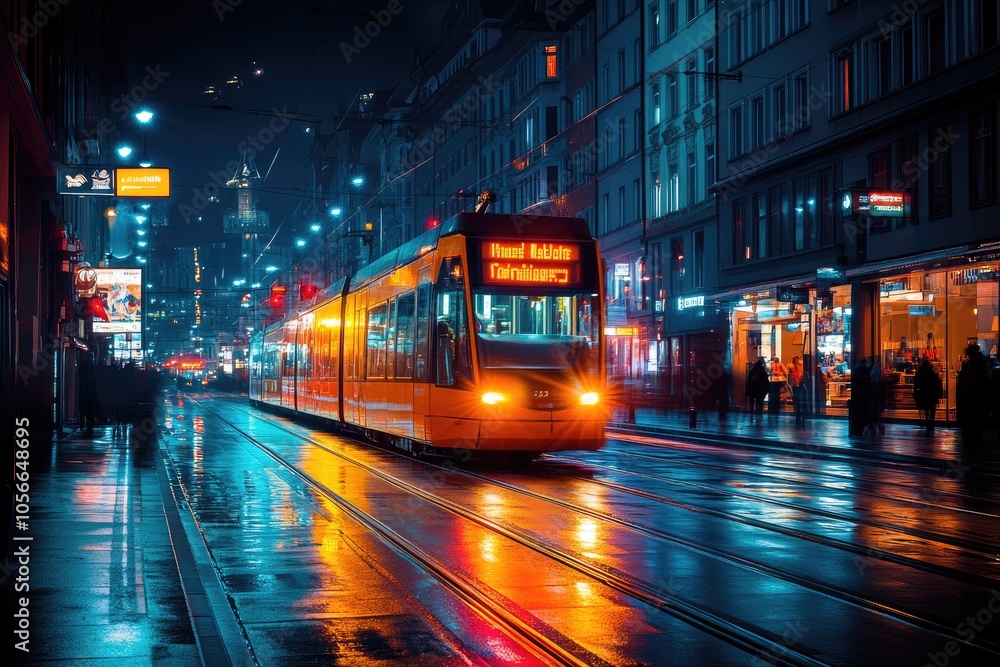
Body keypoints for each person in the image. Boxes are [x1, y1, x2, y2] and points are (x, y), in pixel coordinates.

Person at [956, 343, 991, 446]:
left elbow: (964, 380)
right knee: (977, 421)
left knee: (971, 421)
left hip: (971, 398)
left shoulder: (970, 366)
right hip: (979, 397)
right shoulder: (982, 363)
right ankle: (976, 442)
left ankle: (971, 444)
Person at [912, 357, 943, 433]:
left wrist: (915, 392)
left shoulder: (920, 373)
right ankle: (931, 422)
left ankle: (926, 422)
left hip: (923, 393)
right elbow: (937, 383)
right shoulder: (933, 373)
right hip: (932, 393)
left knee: (925, 408)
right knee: (932, 409)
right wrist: (939, 393)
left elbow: (916, 383)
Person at [746, 358, 769, 423]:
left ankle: (752, 414)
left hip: (753, 390)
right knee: (759, 403)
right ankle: (758, 415)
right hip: (760, 390)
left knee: (752, 403)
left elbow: (749, 381)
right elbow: (765, 381)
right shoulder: (762, 372)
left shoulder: (752, 372)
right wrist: (766, 389)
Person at [867, 357, 885, 434]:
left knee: (873, 409)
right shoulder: (877, 370)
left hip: (874, 393)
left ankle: (872, 424)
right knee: (877, 410)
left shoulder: (873, 370)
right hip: (877, 394)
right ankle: (876, 423)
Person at [789, 355, 807, 425]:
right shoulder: (792, 367)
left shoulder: (800, 367)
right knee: (797, 399)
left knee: (799, 399)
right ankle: (798, 411)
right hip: (795, 384)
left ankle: (799, 411)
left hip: (799, 384)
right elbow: (791, 376)